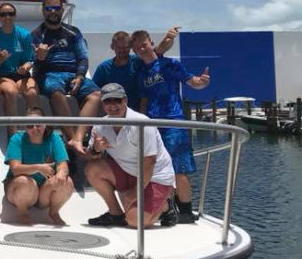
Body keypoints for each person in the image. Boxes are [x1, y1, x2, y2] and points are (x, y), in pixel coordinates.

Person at [131, 30, 210, 223]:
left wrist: (202, 82)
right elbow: (144, 98)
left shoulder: (170, 64)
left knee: (178, 168)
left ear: (151, 43)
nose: (142, 48)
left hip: (173, 122)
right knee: (158, 168)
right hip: (152, 125)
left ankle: (186, 211)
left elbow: (193, 82)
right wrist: (141, 121)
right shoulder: (140, 71)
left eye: (145, 44)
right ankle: (169, 207)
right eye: (138, 47)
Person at [85, 83, 179, 228]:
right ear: (102, 104)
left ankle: (167, 205)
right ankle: (115, 214)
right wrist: (96, 149)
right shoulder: (100, 126)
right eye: (108, 101)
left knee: (135, 221)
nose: (113, 105)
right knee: (92, 169)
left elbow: (150, 162)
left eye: (117, 100)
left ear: (126, 101)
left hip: (155, 175)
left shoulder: (142, 123)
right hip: (127, 170)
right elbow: (91, 158)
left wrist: (133, 193)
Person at [30, 0, 101, 153]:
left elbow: (83, 57)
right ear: (43, 11)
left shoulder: (74, 32)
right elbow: (34, 66)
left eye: (56, 8)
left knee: (96, 95)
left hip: (73, 73)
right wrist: (40, 58)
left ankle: (78, 137)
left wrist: (80, 76)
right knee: (56, 92)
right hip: (50, 73)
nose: (53, 11)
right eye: (49, 8)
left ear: (62, 10)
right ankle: (72, 139)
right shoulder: (36, 34)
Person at [3, 106, 73, 225]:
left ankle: (54, 212)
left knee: (67, 182)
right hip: (19, 188)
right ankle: (22, 213)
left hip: (43, 192)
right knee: (24, 181)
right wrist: (39, 168)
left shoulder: (54, 138)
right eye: (30, 125)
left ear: (45, 123)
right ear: (25, 126)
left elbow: (63, 165)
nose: (34, 128)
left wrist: (61, 173)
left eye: (38, 124)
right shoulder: (17, 139)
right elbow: (15, 169)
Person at [92, 29, 178, 111]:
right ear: (112, 47)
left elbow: (158, 50)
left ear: (130, 47)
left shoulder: (139, 61)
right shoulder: (103, 68)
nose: (122, 50)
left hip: (139, 113)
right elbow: (94, 93)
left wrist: (169, 36)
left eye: (125, 47)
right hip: (114, 113)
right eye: (119, 47)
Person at [0, 3, 39, 132]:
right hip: (1, 75)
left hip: (21, 75)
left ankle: (31, 131)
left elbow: (30, 59)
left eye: (11, 13)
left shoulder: (25, 35)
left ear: (15, 16)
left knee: (32, 92)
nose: (7, 17)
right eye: (3, 14)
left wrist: (26, 66)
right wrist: (0, 59)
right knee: (11, 92)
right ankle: (13, 134)